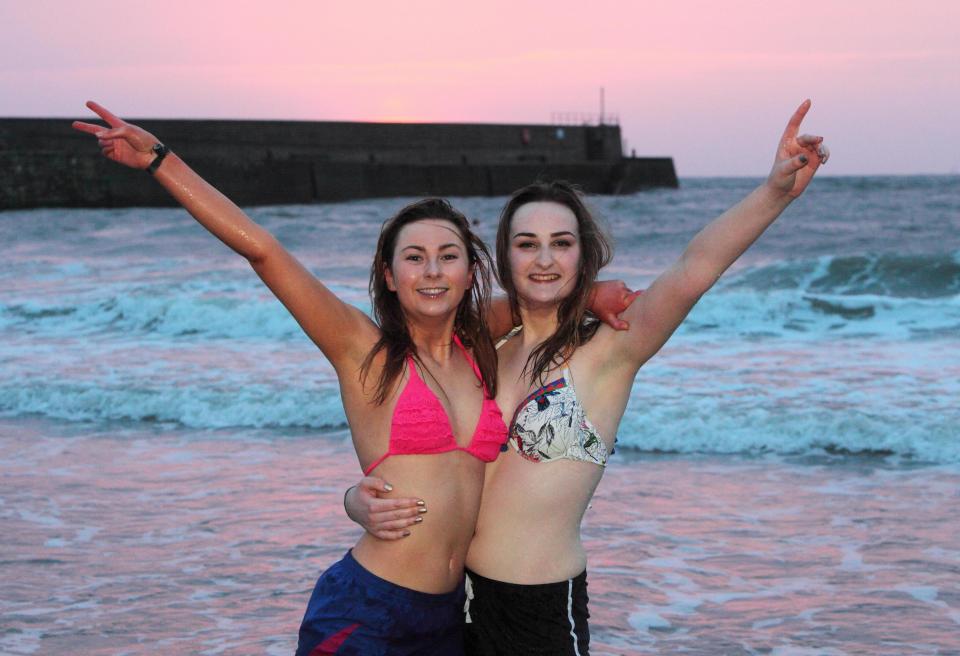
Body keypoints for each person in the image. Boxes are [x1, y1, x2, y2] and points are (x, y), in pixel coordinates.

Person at [345, 100, 829, 655]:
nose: (544, 259)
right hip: (459, 610)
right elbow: (428, 456)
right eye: (527, 244)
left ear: (583, 256)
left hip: (542, 616)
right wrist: (352, 500)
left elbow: (695, 270)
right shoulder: (483, 352)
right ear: (503, 259)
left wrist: (773, 193)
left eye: (562, 243)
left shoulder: (609, 353)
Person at [72, 101, 509, 655]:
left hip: (448, 619)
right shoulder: (363, 350)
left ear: (469, 272)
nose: (431, 271)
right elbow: (263, 251)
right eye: (414, 257)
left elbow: (537, 302)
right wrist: (161, 161)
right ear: (389, 275)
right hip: (367, 610)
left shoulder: (477, 346)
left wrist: (594, 294)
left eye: (448, 257)